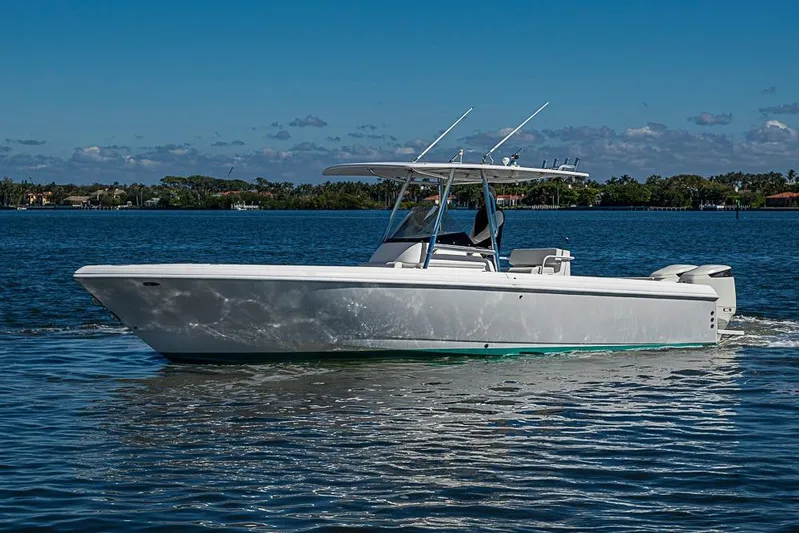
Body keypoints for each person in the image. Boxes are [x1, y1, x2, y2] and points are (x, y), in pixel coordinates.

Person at [470, 186, 504, 251]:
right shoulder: (480, 213)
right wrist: (467, 242)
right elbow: (474, 229)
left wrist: (472, 242)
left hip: (488, 252)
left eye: (484, 196)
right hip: (476, 249)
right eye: (481, 196)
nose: (481, 198)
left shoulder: (498, 213)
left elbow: (488, 232)